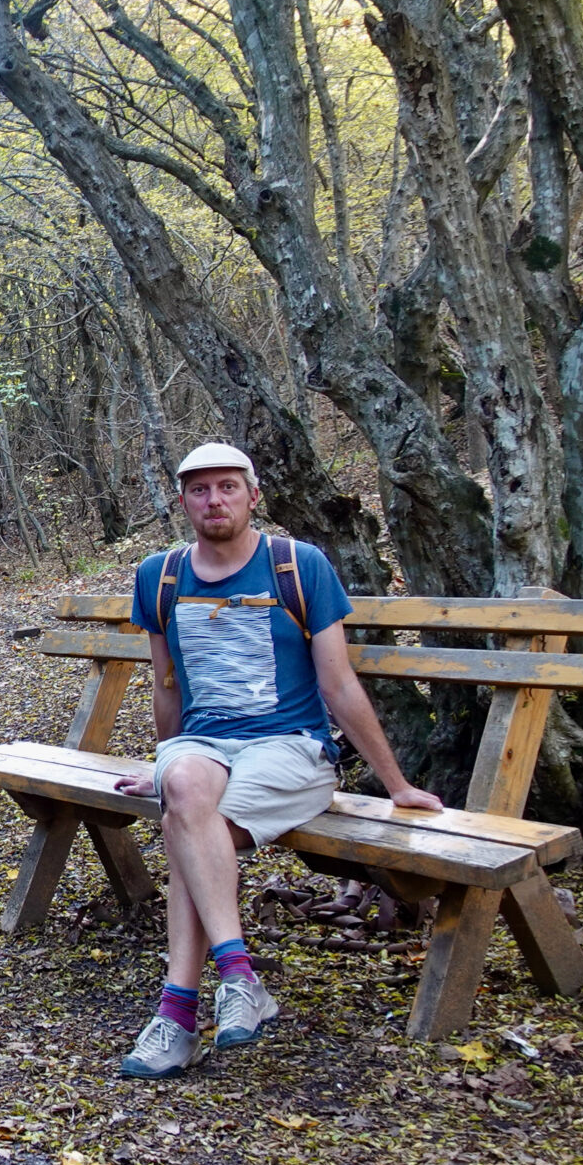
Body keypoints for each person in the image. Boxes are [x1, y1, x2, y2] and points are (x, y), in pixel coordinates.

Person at [112, 442, 446, 1080]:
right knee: (182, 789)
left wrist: (395, 783)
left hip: (290, 746)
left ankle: (176, 1014)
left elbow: (340, 684)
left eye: (228, 487)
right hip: (204, 745)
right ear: (182, 501)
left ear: (252, 495)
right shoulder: (160, 576)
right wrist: (162, 761)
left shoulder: (299, 565)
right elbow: (167, 686)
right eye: (201, 489)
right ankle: (240, 979)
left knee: (187, 829)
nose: (215, 500)